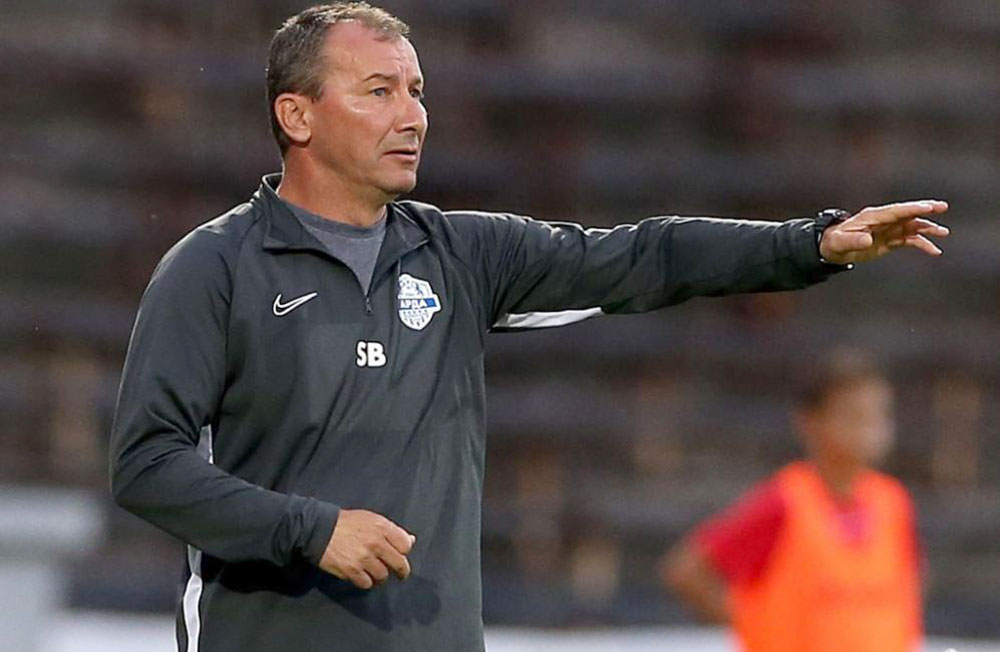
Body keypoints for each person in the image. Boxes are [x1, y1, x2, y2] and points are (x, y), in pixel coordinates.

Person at [108, 4, 947, 651]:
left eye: (417, 91)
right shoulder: (214, 268)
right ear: (297, 116)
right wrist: (313, 530)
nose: (413, 116)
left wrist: (811, 243)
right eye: (379, 92)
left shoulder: (460, 255)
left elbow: (645, 256)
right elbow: (147, 465)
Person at [660, 351, 921, 652]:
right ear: (811, 421)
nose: (869, 430)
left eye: (878, 415)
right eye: (853, 415)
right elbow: (688, 571)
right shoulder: (786, 502)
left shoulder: (894, 502)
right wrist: (757, 630)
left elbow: (906, 587)